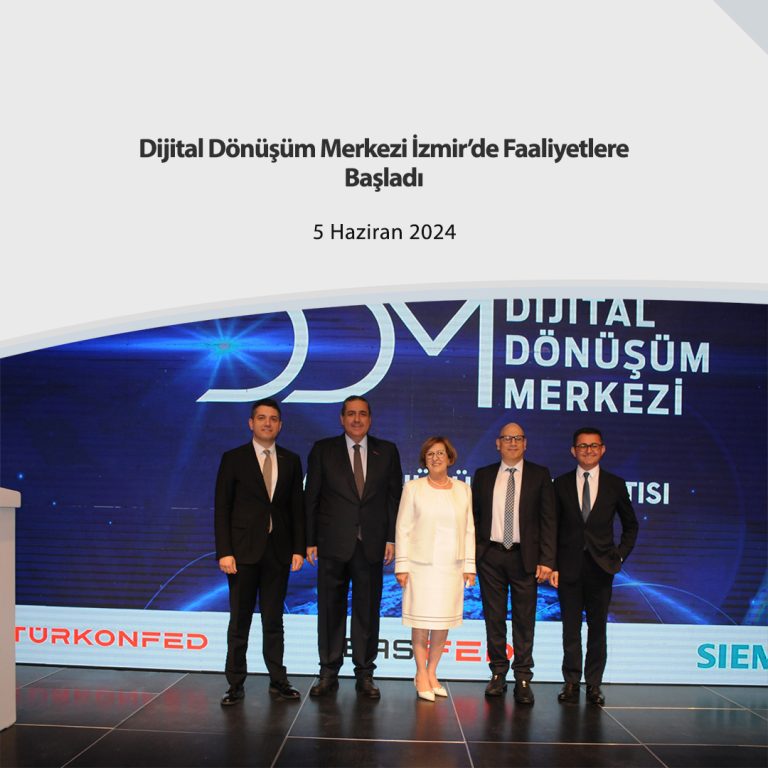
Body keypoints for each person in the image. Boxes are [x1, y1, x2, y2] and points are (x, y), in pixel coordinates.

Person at [305, 395, 403, 698]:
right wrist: (310, 540)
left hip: (371, 544)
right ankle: (328, 672)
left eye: (362, 414)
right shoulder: (323, 450)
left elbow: (394, 499)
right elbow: (312, 498)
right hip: (332, 543)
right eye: (351, 414)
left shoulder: (387, 451)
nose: (356, 419)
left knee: (367, 611)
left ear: (370, 419)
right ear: (342, 418)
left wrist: (391, 538)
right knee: (329, 610)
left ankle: (365, 673)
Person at [214, 398, 306, 705]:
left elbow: (296, 508)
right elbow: (222, 508)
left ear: (280, 425)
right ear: (251, 423)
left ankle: (278, 680)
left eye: (274, 419)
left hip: (278, 553)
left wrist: (298, 549)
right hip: (241, 554)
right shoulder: (234, 458)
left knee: (274, 621)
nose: (268, 423)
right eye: (262, 418)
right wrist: (224, 551)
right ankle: (235, 683)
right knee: (240, 621)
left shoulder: (291, 460)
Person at [550, 427, 638, 706]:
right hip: (568, 568)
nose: (588, 451)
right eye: (582, 446)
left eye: (593, 446)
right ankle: (571, 682)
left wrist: (619, 556)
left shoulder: (615, 484)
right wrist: (552, 565)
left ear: (602, 449)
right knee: (570, 628)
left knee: (597, 628)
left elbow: (631, 525)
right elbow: (551, 528)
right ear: (573, 451)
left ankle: (594, 684)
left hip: (601, 568)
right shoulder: (560, 484)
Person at [472, 422, 556, 705]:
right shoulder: (483, 475)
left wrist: (547, 559)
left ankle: (523, 677)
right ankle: (498, 672)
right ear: (497, 443)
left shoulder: (539, 475)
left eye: (518, 438)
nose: (512, 443)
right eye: (507, 438)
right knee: (494, 617)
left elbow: (548, 520)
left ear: (525, 443)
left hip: (526, 558)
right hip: (491, 556)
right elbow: (474, 518)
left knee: (524, 619)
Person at [395, 436, 476, 701]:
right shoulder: (413, 488)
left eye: (440, 453)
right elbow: (403, 528)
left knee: (442, 622)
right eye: (430, 454)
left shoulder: (463, 490)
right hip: (420, 567)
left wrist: (469, 565)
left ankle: (432, 672)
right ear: (424, 460)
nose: (436, 458)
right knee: (421, 622)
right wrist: (402, 565)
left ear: (450, 458)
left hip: (451, 567)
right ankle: (420, 673)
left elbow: (469, 529)